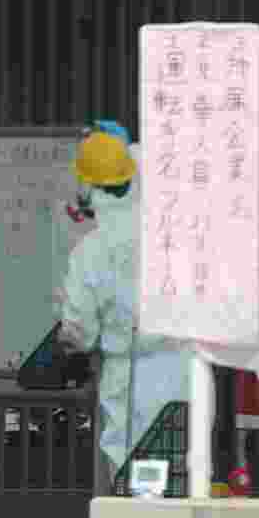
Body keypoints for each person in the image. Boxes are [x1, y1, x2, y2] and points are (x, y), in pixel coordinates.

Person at [58, 127, 192, 493]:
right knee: (183, 483)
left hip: (130, 379)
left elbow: (78, 334)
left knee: (138, 496)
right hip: (186, 371)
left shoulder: (92, 250)